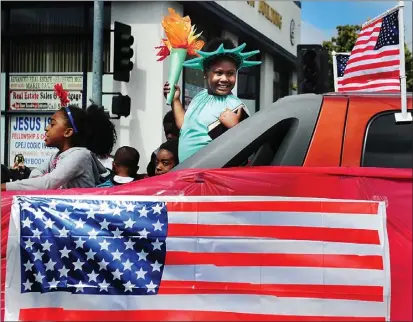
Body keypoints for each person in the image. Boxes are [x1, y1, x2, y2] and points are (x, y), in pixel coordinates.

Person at [163, 37, 261, 162]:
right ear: (205, 73)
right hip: (187, 172)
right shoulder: (200, 96)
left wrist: (236, 127)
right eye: (218, 73)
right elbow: (185, 126)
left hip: (209, 176)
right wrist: (175, 100)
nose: (224, 79)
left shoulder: (235, 106)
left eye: (230, 73)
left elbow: (250, 148)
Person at [1, 104, 117, 191]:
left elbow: (48, 183)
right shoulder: (57, 156)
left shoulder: (80, 155)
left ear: (68, 132)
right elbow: (36, 174)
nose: (46, 128)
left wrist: (5, 187)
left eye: (52, 124)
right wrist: (41, 179)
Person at [147, 111, 180, 176]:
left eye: (174, 132)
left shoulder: (192, 153)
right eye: (167, 132)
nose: (169, 136)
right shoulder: (156, 153)